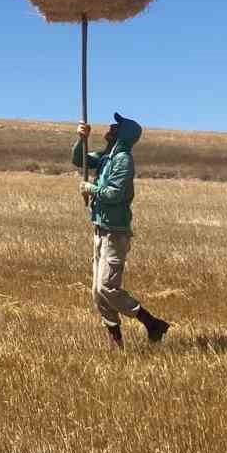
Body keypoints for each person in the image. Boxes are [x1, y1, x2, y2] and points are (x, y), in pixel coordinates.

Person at [75, 113, 171, 349]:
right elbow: (80, 160)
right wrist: (81, 140)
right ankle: (117, 344)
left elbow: (114, 194)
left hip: (115, 233)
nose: (110, 126)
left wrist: (91, 188)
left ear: (123, 134)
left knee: (107, 287)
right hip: (100, 229)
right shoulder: (107, 157)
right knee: (98, 293)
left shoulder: (123, 161)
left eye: (116, 126)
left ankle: (152, 323)